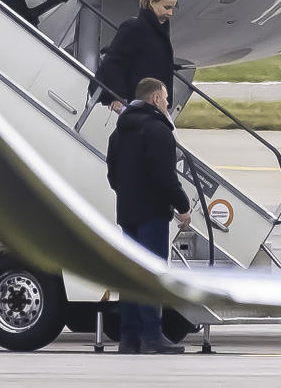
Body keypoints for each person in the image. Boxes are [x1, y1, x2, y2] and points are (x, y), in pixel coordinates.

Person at [106, 77, 191, 354]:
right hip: (152, 213)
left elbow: (112, 175)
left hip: (127, 212)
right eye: (165, 98)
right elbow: (165, 177)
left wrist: (128, 196)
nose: (168, 103)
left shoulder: (119, 132)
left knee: (131, 275)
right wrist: (182, 205)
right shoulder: (158, 131)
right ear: (155, 99)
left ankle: (129, 339)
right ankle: (152, 336)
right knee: (152, 274)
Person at [94, 0, 178, 112]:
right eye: (167, 7)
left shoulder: (160, 31)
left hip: (155, 105)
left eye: (172, 8)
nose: (170, 13)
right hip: (139, 104)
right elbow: (113, 62)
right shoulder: (134, 27)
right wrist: (118, 96)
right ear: (152, 2)